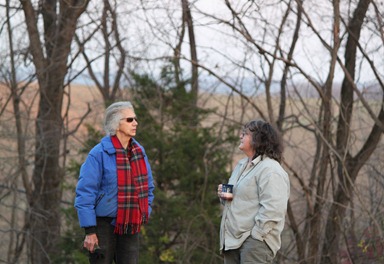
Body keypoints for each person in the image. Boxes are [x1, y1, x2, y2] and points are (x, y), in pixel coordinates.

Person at [74, 101, 155, 264]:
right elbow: (85, 193)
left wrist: (143, 210)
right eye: (130, 120)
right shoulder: (98, 154)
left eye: (135, 119)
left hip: (130, 225)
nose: (135, 123)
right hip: (103, 225)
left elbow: (148, 187)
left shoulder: (139, 153)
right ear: (116, 124)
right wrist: (90, 231)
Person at [217, 119, 290, 264]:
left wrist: (256, 237)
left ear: (258, 140)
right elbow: (237, 198)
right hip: (232, 242)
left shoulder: (270, 169)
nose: (240, 136)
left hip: (254, 244)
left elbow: (274, 209)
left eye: (245, 134)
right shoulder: (241, 165)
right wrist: (224, 194)